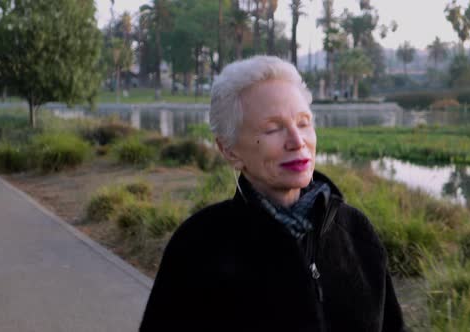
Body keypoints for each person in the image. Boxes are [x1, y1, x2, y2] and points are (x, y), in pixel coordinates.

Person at [139, 56, 404, 332]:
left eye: (303, 123)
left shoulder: (356, 232)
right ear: (229, 150)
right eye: (273, 129)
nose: (297, 141)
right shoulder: (198, 246)